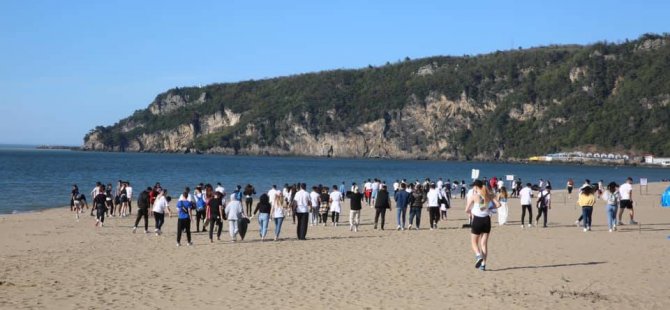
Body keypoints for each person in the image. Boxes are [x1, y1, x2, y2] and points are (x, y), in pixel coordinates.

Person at [465, 179, 501, 271]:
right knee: (484, 244)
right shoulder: (489, 195)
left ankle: (478, 256)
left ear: (476, 187)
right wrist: (489, 207)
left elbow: (466, 209)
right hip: (486, 220)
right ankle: (483, 265)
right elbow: (498, 204)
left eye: (474, 186)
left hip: (477, 220)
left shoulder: (474, 196)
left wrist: (471, 211)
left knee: (474, 242)